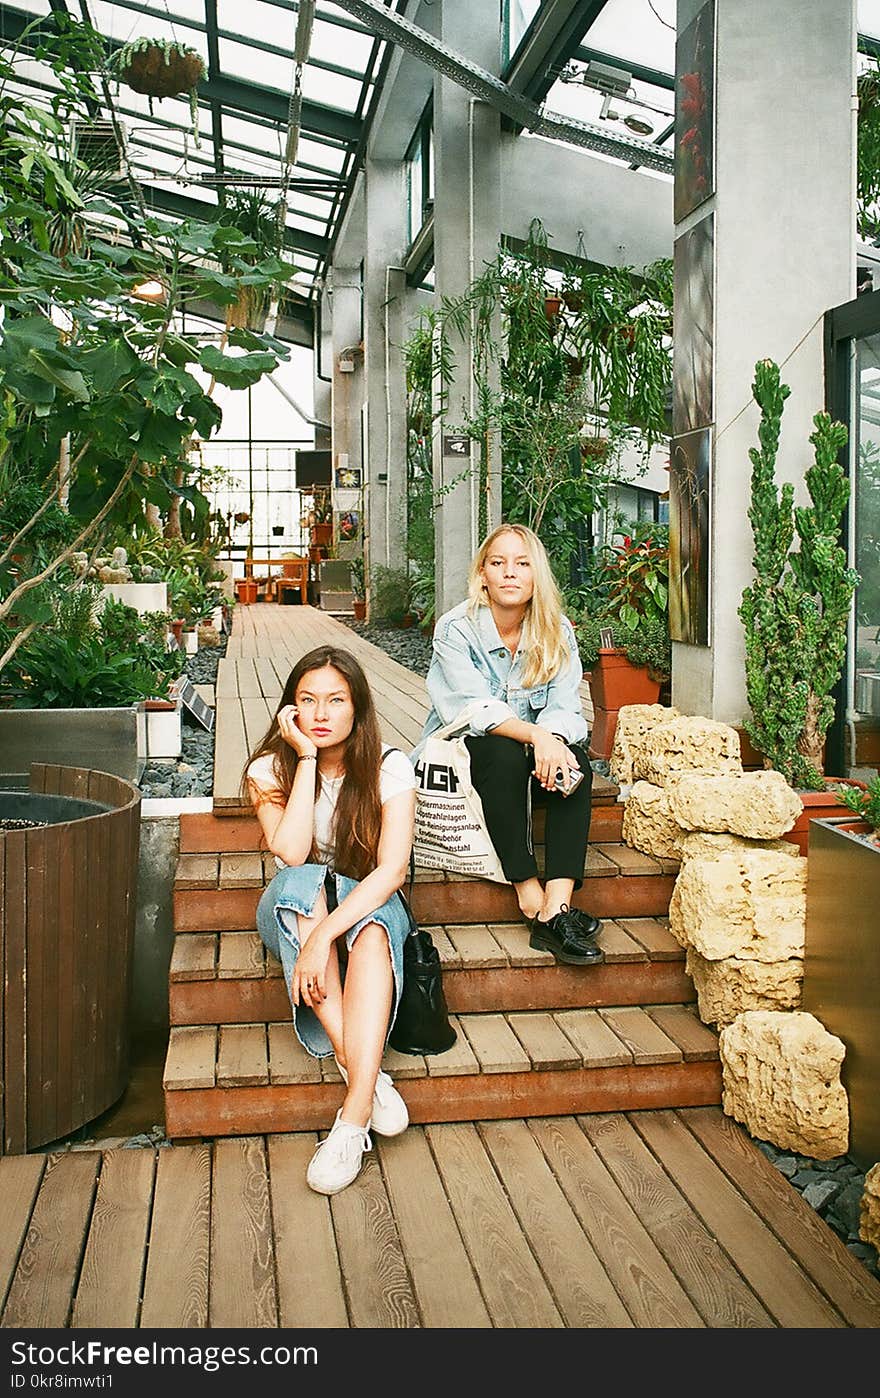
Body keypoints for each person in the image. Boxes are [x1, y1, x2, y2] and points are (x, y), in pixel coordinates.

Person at [243, 645, 416, 1196]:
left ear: (357, 708)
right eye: (307, 700)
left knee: (373, 924)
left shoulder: (389, 766)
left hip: (363, 907)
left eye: (335, 701)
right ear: (289, 710)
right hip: (293, 905)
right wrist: (308, 760)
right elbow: (292, 853)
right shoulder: (268, 768)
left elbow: (391, 871)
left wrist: (323, 936)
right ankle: (367, 1073)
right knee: (302, 883)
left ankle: (352, 1118)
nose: (320, 714)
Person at [412, 523, 602, 967]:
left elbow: (565, 707)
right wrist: (536, 736)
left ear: (537, 575)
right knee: (501, 752)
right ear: (483, 575)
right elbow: (474, 712)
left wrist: (551, 740)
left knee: (576, 763)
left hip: (537, 759)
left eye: (522, 564)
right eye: (498, 564)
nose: (510, 573)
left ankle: (557, 907)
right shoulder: (455, 629)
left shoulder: (556, 631)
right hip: (469, 758)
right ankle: (527, 892)